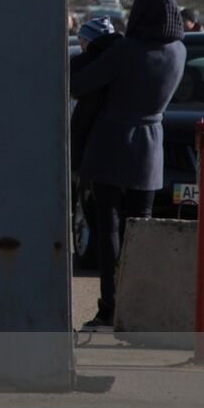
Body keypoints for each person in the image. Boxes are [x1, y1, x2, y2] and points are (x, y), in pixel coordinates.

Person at [70, 0, 185, 330]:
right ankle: (140, 310)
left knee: (109, 230)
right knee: (142, 232)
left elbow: (79, 85)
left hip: (110, 143)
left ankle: (109, 307)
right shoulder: (179, 51)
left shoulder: (127, 51)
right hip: (151, 147)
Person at [69, 17, 123, 271]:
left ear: (89, 41)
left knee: (96, 211)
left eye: (82, 40)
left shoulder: (90, 66)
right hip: (124, 149)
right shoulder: (122, 61)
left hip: (93, 150)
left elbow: (73, 85)